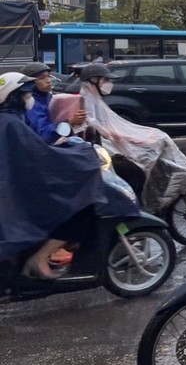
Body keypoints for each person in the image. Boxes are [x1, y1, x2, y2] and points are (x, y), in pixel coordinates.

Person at [0, 72, 139, 280]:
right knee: (79, 208)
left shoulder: (14, 118)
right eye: (26, 93)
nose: (29, 97)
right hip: (24, 187)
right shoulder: (12, 123)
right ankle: (40, 257)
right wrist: (79, 158)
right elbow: (40, 151)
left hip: (21, 183)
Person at [76, 63, 186, 214]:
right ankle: (136, 210)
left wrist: (139, 135)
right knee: (136, 172)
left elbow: (114, 127)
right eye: (104, 80)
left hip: (104, 149)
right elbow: (106, 131)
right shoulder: (87, 102)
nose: (108, 84)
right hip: (101, 153)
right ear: (93, 81)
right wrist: (135, 139)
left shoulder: (94, 100)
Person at [21, 61, 85, 144]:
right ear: (30, 83)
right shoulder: (32, 104)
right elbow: (44, 135)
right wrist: (70, 123)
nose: (48, 81)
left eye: (48, 76)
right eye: (42, 78)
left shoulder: (48, 97)